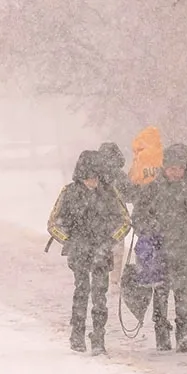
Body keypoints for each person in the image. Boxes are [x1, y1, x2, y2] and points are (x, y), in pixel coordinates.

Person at [48, 150, 131, 355]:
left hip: (102, 252)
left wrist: (110, 241)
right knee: (81, 292)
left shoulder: (110, 193)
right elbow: (53, 224)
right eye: (88, 176)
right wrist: (71, 242)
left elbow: (125, 221)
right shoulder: (69, 193)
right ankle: (77, 334)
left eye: (95, 176)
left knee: (99, 295)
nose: (92, 181)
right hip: (79, 253)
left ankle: (98, 336)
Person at [132, 143, 187, 352]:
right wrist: (151, 229)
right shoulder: (152, 188)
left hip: (183, 251)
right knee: (161, 293)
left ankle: (184, 333)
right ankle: (161, 332)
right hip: (159, 251)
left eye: (180, 168)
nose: (176, 172)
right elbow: (137, 216)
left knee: (182, 294)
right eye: (172, 168)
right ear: (164, 167)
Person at [97, 142, 133, 286]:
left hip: (99, 220)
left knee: (102, 250)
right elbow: (130, 195)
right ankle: (114, 280)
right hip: (117, 220)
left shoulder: (95, 176)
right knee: (117, 250)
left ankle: (103, 279)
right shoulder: (120, 175)